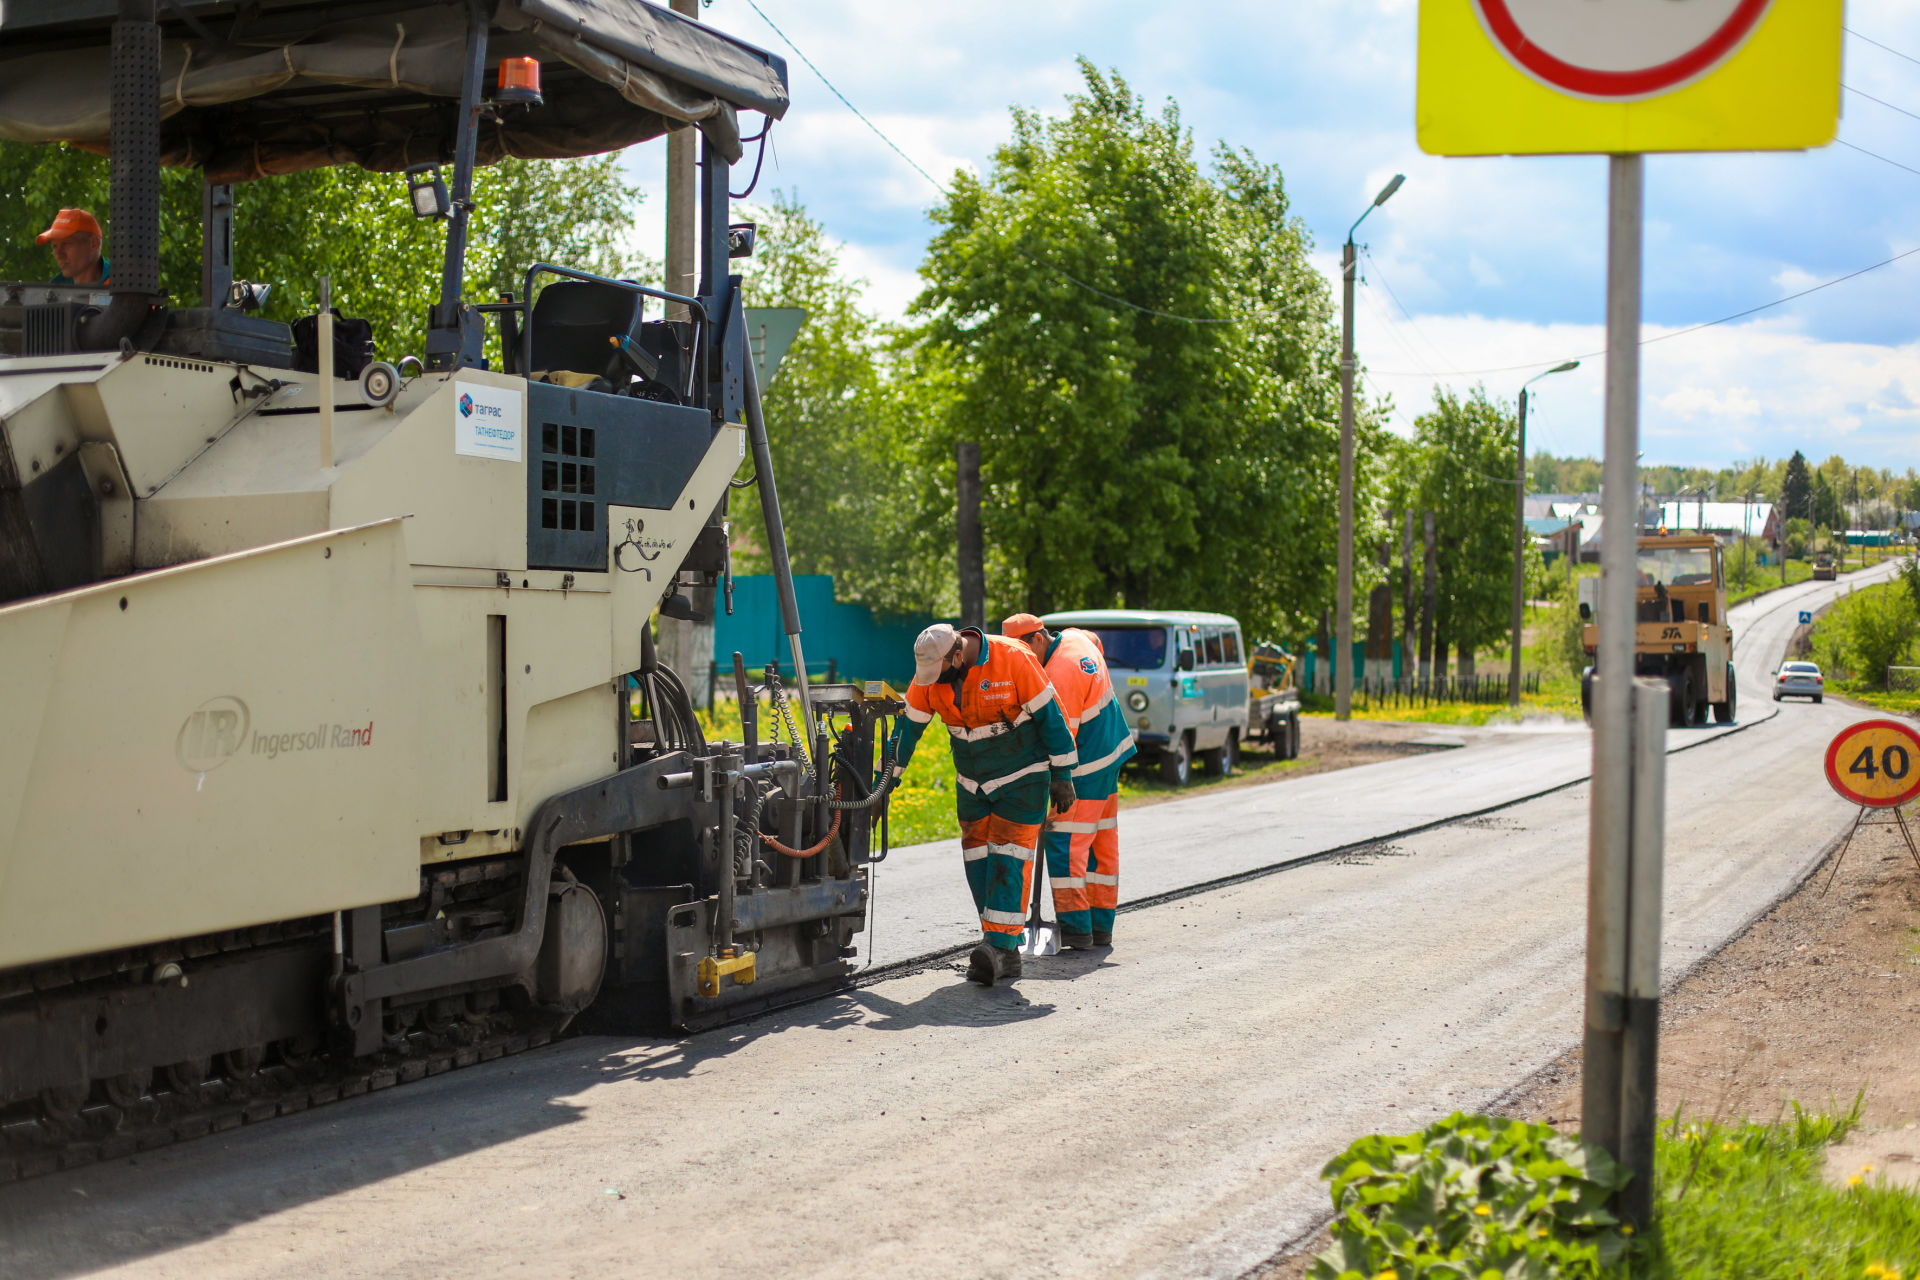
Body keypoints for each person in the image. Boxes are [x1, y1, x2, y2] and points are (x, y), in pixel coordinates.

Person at [892, 621, 1078, 986]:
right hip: (972, 781)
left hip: (1023, 775)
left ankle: (998, 947)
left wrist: (1063, 774)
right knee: (978, 859)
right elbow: (908, 729)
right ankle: (1002, 946)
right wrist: (887, 781)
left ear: (957, 655)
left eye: (939, 671)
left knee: (1009, 855)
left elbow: (1052, 717)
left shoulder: (1013, 658)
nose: (932, 680)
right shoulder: (932, 676)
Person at [1003, 614, 1135, 949]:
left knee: (1065, 843)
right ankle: (1101, 927)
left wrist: (1043, 781)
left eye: (1024, 652)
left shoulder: (1058, 675)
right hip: (1111, 751)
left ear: (1037, 639)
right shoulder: (1075, 639)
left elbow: (1061, 739)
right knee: (1100, 843)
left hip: (1086, 766)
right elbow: (1095, 641)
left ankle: (1077, 931)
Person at [37, 208, 109, 286]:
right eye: (54, 246)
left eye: (66, 244)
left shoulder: (120, 284)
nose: (58, 254)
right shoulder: (54, 288)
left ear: (94, 243)